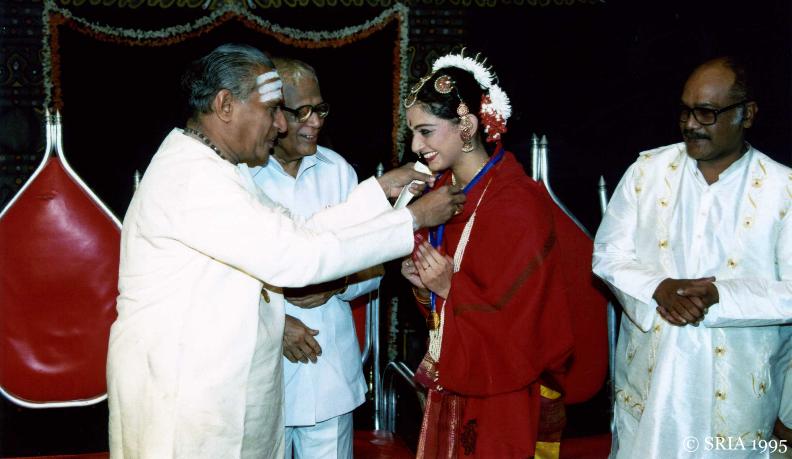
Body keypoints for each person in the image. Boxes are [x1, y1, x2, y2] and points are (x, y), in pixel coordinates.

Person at [106, 43, 465, 459]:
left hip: (217, 394)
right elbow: (299, 257)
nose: (280, 125)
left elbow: (297, 231)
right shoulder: (194, 179)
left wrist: (378, 192)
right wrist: (411, 220)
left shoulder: (216, 169)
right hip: (185, 403)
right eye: (272, 109)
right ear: (225, 105)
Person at [593, 56, 792, 458]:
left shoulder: (782, 189)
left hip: (738, 393)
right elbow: (608, 254)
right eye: (685, 110)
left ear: (747, 114)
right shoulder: (647, 172)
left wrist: (721, 296)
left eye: (706, 112)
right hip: (652, 386)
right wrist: (658, 287)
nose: (691, 124)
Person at [399, 50, 574, 458]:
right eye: (412, 133)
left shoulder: (517, 203)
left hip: (507, 390)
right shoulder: (438, 198)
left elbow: (524, 322)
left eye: (426, 131)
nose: (415, 146)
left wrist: (449, 287)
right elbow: (439, 313)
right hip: (454, 375)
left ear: (467, 126)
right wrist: (425, 289)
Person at [248, 57, 377, 458]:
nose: (316, 121)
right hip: (259, 381)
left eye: (319, 109)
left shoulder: (339, 172)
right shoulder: (239, 175)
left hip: (329, 380)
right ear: (272, 114)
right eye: (302, 111)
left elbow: (375, 265)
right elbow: (216, 278)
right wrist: (275, 323)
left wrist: (336, 282)